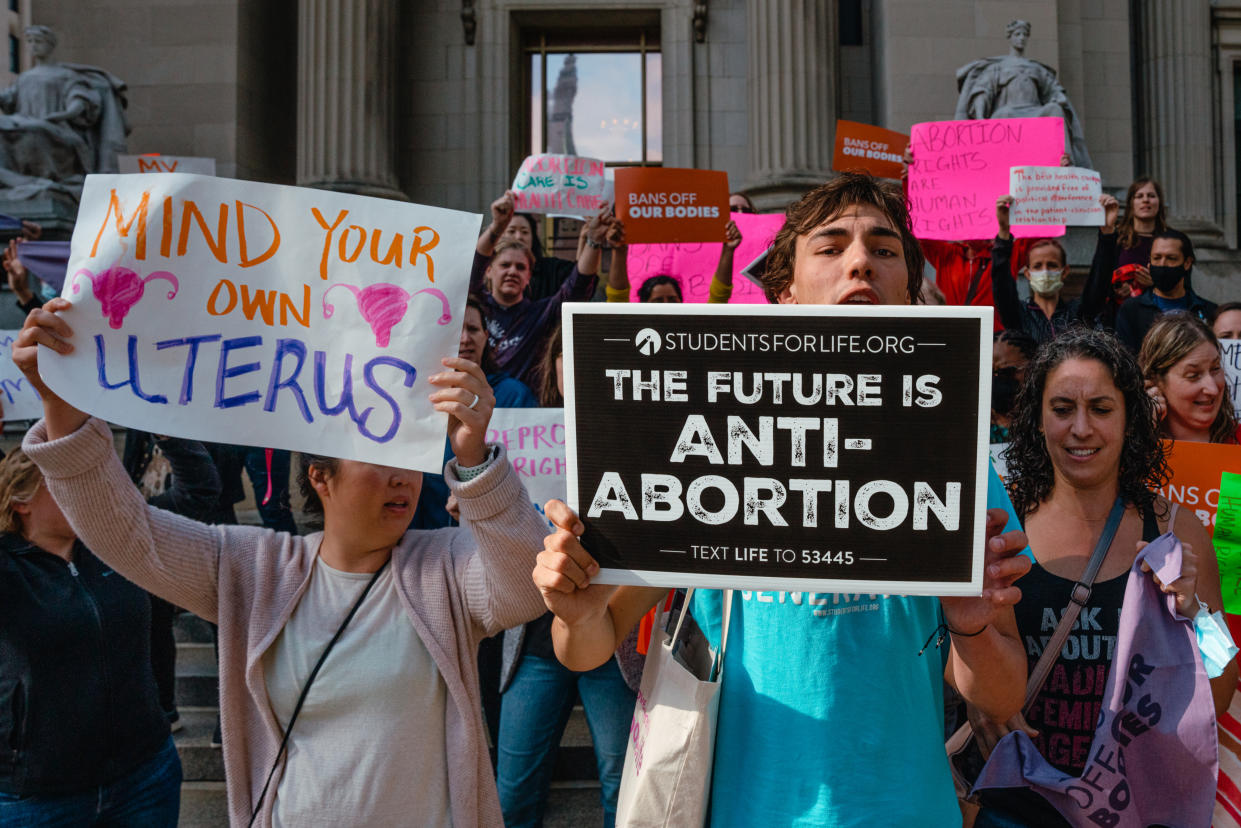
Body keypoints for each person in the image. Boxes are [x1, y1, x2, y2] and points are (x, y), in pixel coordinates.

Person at [534, 172, 1033, 826]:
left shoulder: (955, 458)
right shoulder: (709, 439)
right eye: (830, 247)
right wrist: (574, 609)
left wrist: (968, 629)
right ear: (786, 291)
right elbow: (590, 646)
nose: (859, 261)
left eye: (883, 250)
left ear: (910, 291)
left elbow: (1000, 695)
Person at [12, 298, 552, 827]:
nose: (401, 478)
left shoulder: (444, 566)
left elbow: (524, 587)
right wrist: (63, 409)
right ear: (321, 476)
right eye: (376, 457)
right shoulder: (253, 568)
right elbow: (128, 535)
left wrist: (476, 461)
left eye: (407, 459)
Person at [972, 327, 1235, 826]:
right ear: (1037, 418)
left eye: (1101, 408)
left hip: (1134, 807)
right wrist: (979, 698)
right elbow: (956, 639)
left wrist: (1195, 616)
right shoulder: (1001, 525)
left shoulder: (1179, 529)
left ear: (1130, 417)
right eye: (1063, 409)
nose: (1081, 429)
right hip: (1020, 804)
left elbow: (1217, 696)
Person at [494, 325, 640, 828]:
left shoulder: (643, 436)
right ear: (554, 366)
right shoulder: (520, 439)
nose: (577, 365)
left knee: (623, 791)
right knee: (513, 791)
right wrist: (475, 514)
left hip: (615, 641)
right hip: (532, 643)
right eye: (568, 354)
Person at [0, 448, 182, 826]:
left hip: (145, 778)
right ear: (21, 502)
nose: (78, 491)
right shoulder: (8, 568)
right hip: (40, 799)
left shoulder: (114, 542)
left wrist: (165, 424)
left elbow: (202, 491)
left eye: (80, 481)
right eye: (59, 483)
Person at [121, 431, 223, 734]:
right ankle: (165, 708)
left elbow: (214, 483)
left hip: (204, 525)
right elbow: (130, 466)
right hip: (151, 531)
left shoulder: (206, 415)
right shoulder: (138, 419)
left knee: (221, 623)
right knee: (155, 621)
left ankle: (228, 717)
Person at [473, 190, 615, 387]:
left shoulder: (540, 315)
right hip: (477, 408)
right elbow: (474, 266)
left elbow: (577, 287)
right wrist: (497, 226)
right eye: (505, 265)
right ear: (488, 271)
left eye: (521, 267)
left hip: (528, 412)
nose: (512, 272)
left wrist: (594, 240)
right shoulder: (475, 307)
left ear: (529, 276)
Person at [991, 193, 1117, 343]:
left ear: (1065, 272)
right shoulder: (1017, 314)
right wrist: (1004, 233)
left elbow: (1100, 281)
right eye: (1037, 266)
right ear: (1027, 273)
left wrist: (1107, 232)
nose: (1045, 271)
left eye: (1052, 265)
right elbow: (1001, 284)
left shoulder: (1078, 313)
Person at [1139, 312, 1239, 444]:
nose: (1213, 389)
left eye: (1215, 369)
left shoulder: (1238, 437)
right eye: (1193, 376)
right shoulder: (1128, 445)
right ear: (1156, 380)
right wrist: (1143, 435)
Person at [1115, 229, 1217, 353]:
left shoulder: (1208, 311)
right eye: (1157, 258)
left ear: (1187, 263)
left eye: (1171, 258)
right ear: (1149, 263)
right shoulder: (1131, 310)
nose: (1163, 264)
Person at [605, 219, 742, 304]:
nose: (666, 305)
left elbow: (719, 297)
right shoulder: (631, 330)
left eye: (672, 299)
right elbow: (617, 299)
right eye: (658, 301)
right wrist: (619, 251)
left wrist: (728, 251)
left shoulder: (694, 334)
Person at [991, 328, 1037, 444]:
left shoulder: (1044, 418)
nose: (997, 378)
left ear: (1033, 368)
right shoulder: (979, 422)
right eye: (990, 373)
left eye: (1007, 372)